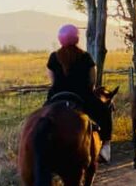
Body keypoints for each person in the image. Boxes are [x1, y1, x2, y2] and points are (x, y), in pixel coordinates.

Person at [46, 24, 112, 156]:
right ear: (77, 38)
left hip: (56, 97)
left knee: (41, 118)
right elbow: (92, 81)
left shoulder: (54, 57)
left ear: (60, 39)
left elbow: (52, 81)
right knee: (105, 112)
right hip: (82, 96)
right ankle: (105, 146)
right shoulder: (85, 56)